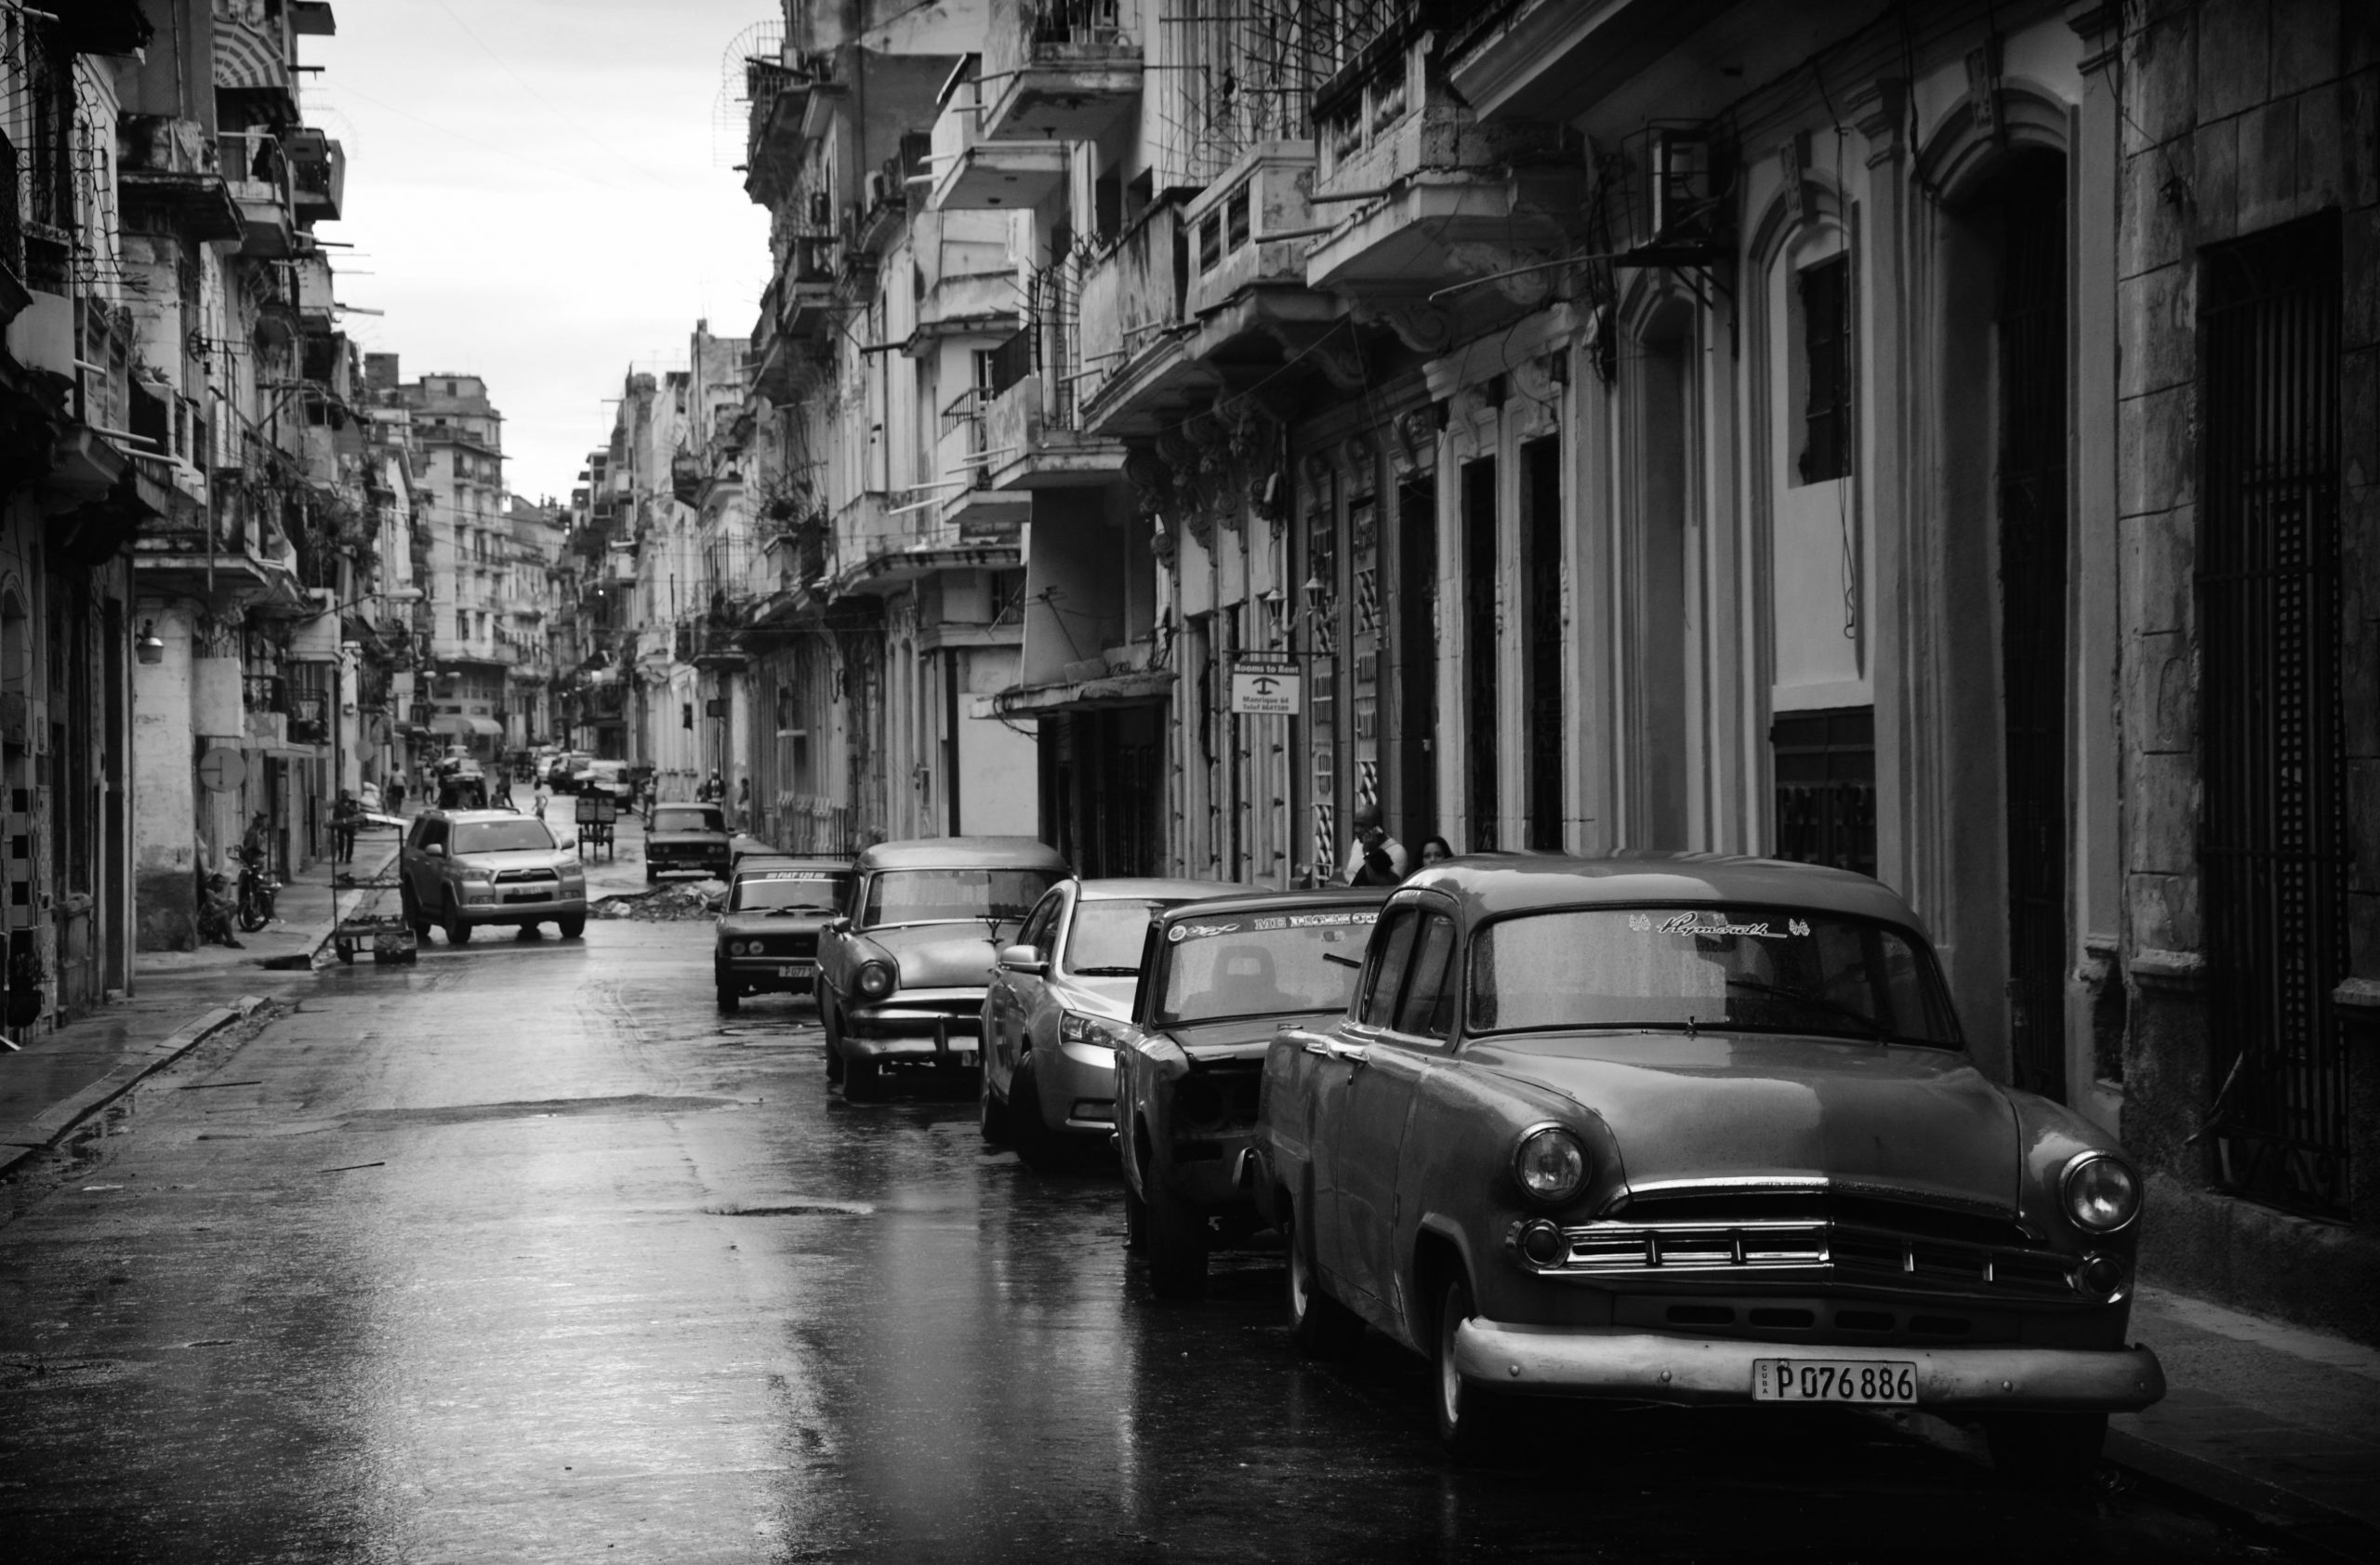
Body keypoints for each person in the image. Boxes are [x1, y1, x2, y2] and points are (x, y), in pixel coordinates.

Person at [1340, 804, 1408, 885]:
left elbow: (1388, 885)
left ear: (1377, 827)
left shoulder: (1397, 851)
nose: (1356, 830)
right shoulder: (1357, 843)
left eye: (1362, 825)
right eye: (1355, 825)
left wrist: (1368, 853)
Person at [331, 790, 360, 864]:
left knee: (350, 842)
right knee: (341, 842)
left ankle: (348, 858)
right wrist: (336, 823)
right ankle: (341, 856)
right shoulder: (338, 804)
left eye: (346, 796)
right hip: (341, 825)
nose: (345, 797)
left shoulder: (353, 803)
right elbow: (335, 814)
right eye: (343, 796)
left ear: (348, 796)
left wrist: (348, 807)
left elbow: (356, 811)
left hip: (350, 825)